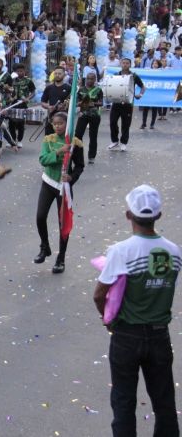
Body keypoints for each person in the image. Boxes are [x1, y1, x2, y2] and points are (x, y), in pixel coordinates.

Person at [93, 184, 181, 437]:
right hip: (159, 336)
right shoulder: (174, 252)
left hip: (126, 336)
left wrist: (108, 318)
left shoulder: (121, 252)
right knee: (164, 403)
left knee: (123, 402)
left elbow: (100, 294)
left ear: (128, 215)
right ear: (158, 216)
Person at [34, 112, 84, 273]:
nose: (57, 126)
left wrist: (71, 177)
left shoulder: (75, 143)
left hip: (64, 187)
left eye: (61, 123)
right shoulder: (48, 140)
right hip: (48, 182)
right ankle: (44, 246)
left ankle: (61, 258)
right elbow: (43, 159)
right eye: (55, 124)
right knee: (40, 216)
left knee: (63, 224)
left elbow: (80, 166)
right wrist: (58, 152)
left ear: (67, 124)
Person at [108, 58, 145, 152]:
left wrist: (140, 95)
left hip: (128, 104)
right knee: (112, 122)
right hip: (116, 103)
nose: (125, 65)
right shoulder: (116, 75)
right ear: (120, 64)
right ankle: (114, 141)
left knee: (126, 124)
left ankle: (123, 143)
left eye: (127, 63)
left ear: (130, 64)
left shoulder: (134, 76)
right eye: (123, 63)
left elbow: (143, 87)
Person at [3, 63, 35, 147]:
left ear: (25, 71)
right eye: (18, 71)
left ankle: (20, 140)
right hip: (12, 104)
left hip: (22, 104)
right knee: (11, 123)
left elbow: (33, 92)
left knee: (20, 123)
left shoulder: (28, 81)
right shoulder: (12, 81)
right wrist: (9, 96)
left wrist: (28, 98)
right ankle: (12, 140)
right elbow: (8, 91)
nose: (20, 73)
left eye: (21, 71)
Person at [75, 71, 103, 163]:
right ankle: (78, 155)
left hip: (94, 115)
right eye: (88, 78)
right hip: (83, 115)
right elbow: (76, 102)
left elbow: (101, 102)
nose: (89, 80)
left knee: (93, 136)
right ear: (85, 79)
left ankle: (91, 156)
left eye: (92, 79)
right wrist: (80, 103)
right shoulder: (81, 90)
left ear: (95, 80)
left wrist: (93, 103)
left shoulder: (98, 90)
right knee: (78, 135)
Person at [40, 65, 72, 135]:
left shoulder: (69, 88)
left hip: (64, 120)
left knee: (62, 142)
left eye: (59, 73)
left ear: (64, 75)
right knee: (49, 140)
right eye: (56, 73)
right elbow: (43, 102)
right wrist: (49, 107)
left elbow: (73, 103)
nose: (57, 75)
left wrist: (65, 105)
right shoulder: (49, 88)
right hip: (51, 118)